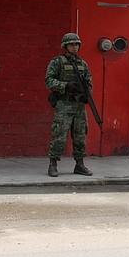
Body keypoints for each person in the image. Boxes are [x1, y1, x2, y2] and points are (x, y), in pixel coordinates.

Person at [45, 33, 94, 177]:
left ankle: (79, 164)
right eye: (72, 44)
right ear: (65, 46)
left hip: (79, 106)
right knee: (59, 135)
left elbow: (89, 82)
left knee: (80, 136)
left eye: (77, 44)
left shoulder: (83, 64)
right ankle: (53, 164)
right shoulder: (57, 62)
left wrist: (86, 93)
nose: (75, 47)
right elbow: (49, 80)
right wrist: (66, 86)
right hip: (64, 105)